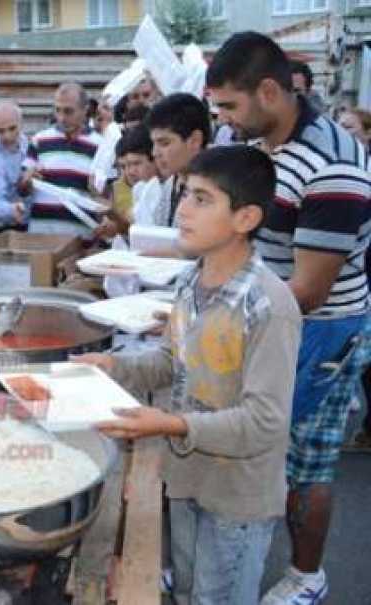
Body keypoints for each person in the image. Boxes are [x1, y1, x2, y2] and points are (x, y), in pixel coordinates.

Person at [76, 145, 302, 605]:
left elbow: (264, 422)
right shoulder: (190, 284)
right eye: (185, 195)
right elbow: (169, 363)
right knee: (185, 591)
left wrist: (171, 425)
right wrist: (114, 367)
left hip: (237, 498)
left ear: (246, 218)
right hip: (186, 478)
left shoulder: (268, 306)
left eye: (202, 199)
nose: (182, 209)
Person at [208, 31, 371, 605]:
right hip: (269, 317)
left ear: (270, 91)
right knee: (264, 449)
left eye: (229, 105)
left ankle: (307, 575)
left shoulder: (332, 163)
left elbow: (308, 290)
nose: (222, 120)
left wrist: (224, 317)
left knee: (304, 461)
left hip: (323, 332)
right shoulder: (268, 146)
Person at [26, 82, 104, 237]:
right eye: (57, 110)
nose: (61, 118)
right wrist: (27, 180)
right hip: (41, 237)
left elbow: (105, 198)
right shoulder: (39, 140)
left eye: (68, 111)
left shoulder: (101, 146)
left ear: (85, 109)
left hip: (80, 239)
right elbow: (22, 188)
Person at [139, 93, 211, 228]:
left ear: (195, 140)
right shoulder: (170, 184)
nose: (155, 153)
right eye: (154, 144)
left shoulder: (220, 188)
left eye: (164, 143)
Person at [0, 101, 30, 231]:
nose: (7, 136)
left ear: (21, 124)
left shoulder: (26, 143)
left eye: (12, 128)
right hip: (5, 228)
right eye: (0, 131)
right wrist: (11, 209)